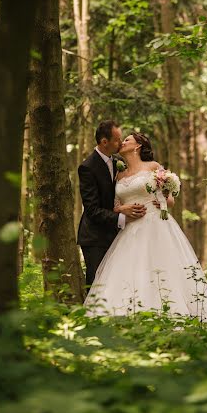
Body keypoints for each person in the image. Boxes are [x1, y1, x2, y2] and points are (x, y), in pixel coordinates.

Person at [84, 132, 207, 324]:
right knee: (130, 269)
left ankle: (171, 313)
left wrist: (163, 202)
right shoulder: (119, 173)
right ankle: (126, 314)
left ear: (138, 146)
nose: (122, 143)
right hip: (129, 228)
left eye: (127, 140)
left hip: (156, 224)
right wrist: (123, 208)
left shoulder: (154, 167)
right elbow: (115, 206)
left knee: (162, 267)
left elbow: (170, 198)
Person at [77, 120, 147, 289]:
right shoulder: (87, 167)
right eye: (117, 140)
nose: (121, 143)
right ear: (104, 142)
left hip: (116, 236)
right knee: (96, 286)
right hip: (95, 238)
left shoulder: (118, 162)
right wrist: (122, 216)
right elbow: (92, 210)